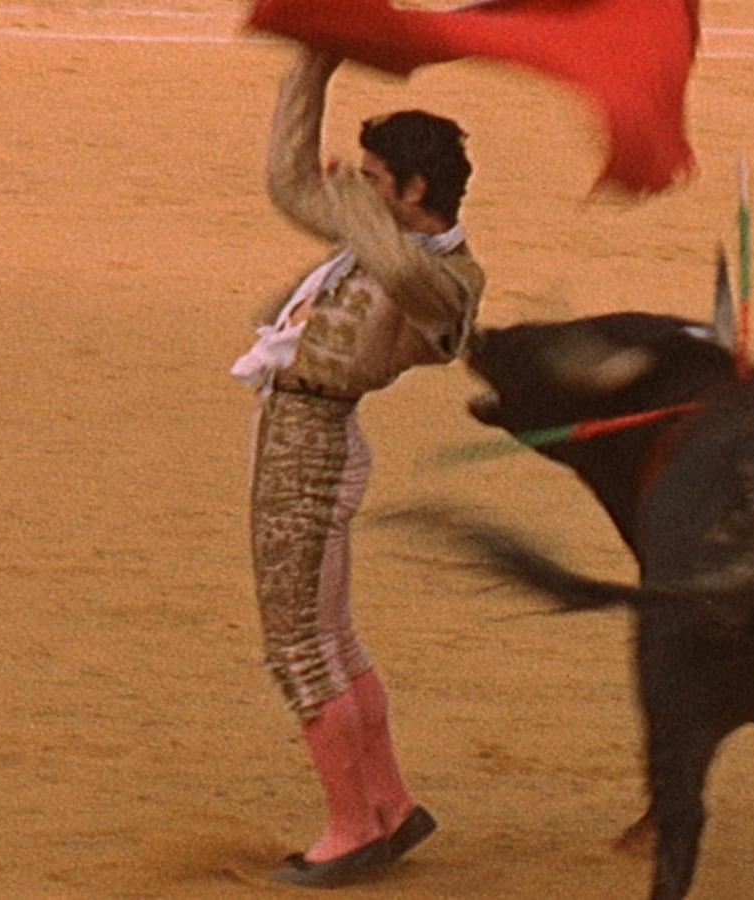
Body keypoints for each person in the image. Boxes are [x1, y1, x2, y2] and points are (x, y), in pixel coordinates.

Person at [229, 47, 485, 888]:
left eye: (375, 179)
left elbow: (401, 269)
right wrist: (314, 66)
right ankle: (389, 805)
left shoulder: (449, 277)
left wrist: (352, 205)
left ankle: (350, 829)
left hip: (315, 446)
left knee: (299, 649)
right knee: (330, 637)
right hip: (297, 432)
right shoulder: (379, 232)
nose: (358, 188)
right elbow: (288, 183)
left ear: (415, 190)